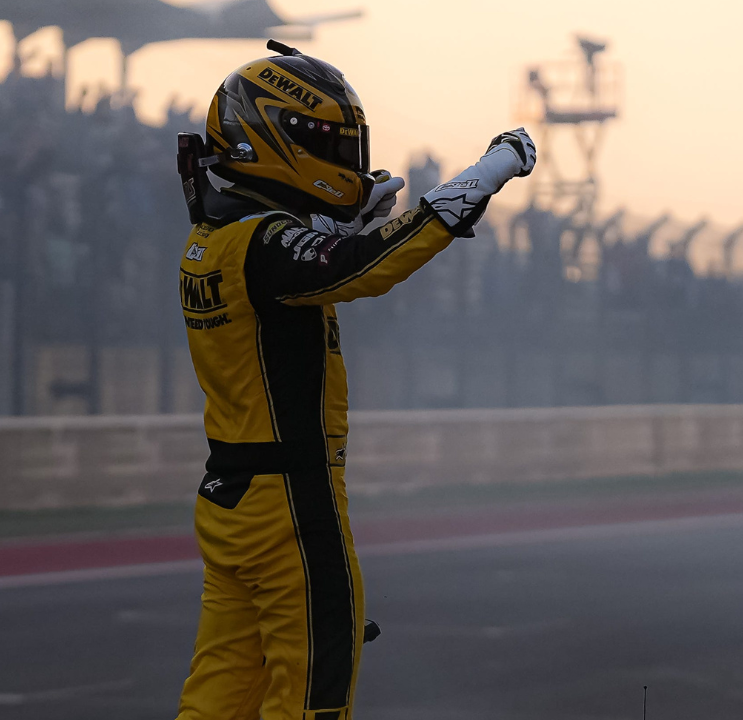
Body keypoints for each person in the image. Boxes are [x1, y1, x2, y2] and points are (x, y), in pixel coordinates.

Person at [174, 40, 535, 720]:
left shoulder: (210, 239)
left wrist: (339, 220)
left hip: (229, 497)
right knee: (313, 698)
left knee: (218, 696)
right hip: (291, 502)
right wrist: (479, 180)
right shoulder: (261, 246)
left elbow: (294, 252)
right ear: (271, 138)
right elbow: (364, 267)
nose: (344, 161)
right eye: (324, 143)